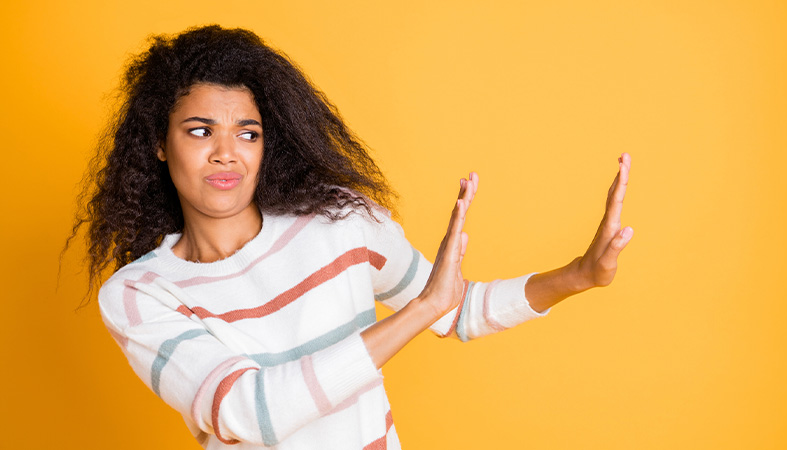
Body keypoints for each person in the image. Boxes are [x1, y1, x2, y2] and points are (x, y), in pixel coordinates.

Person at [68, 24, 633, 449]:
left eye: (248, 131)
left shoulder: (338, 221)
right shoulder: (141, 293)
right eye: (199, 130)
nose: (226, 152)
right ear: (159, 144)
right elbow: (249, 411)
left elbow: (456, 311)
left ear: (269, 144)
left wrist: (579, 275)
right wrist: (418, 312)